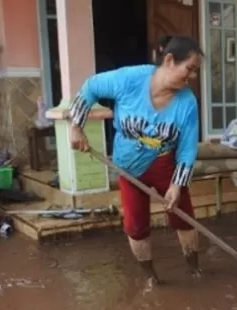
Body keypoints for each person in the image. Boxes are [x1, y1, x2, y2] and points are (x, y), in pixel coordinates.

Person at [68, 35, 204, 285]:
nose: (192, 77)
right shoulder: (130, 79)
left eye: (195, 72)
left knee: (183, 216)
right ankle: (152, 278)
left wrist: (176, 185)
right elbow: (91, 87)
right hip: (128, 166)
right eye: (190, 69)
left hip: (165, 163)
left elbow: (186, 149)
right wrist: (76, 127)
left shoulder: (187, 102)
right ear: (170, 60)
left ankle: (194, 269)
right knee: (135, 224)